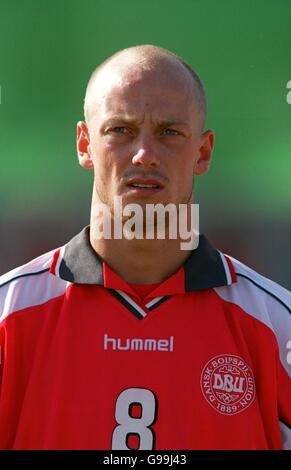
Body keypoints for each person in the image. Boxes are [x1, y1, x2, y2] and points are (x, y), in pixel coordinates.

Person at [0, 45, 290, 451]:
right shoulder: (8, 318)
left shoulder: (278, 327)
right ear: (84, 145)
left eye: (169, 133)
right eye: (121, 130)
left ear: (202, 152)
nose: (144, 155)